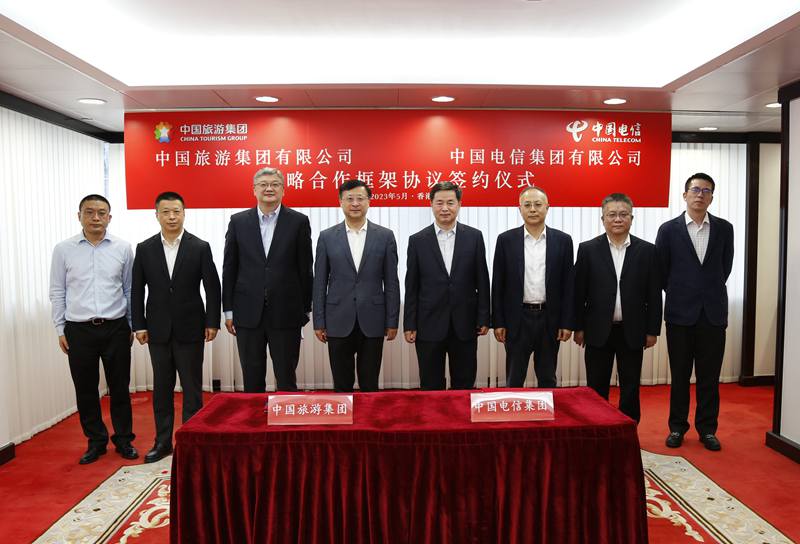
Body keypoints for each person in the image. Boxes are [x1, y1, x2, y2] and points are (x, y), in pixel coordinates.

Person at [131, 191, 221, 463]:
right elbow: (137, 290)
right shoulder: (145, 248)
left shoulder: (199, 246)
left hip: (191, 328)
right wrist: (139, 325)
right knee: (162, 388)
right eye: (166, 212)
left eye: (176, 211)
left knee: (192, 389)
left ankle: (191, 442)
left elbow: (212, 287)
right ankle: (162, 442)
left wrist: (212, 321)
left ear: (184, 213)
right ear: (156, 215)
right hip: (157, 329)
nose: (171, 217)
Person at [49, 194, 138, 464]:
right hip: (79, 330)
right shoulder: (63, 250)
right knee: (85, 389)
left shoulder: (123, 248)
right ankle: (96, 441)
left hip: (116, 327)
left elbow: (129, 289)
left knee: (120, 387)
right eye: (89, 212)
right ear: (79, 216)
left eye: (101, 213)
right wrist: (60, 328)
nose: (95, 218)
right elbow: (57, 291)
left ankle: (124, 439)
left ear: (109, 217)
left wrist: (131, 325)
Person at [656, 172, 733, 451]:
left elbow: (725, 267)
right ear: (685, 194)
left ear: (712, 197)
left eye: (706, 190)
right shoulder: (668, 230)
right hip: (680, 314)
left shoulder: (724, 228)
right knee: (679, 376)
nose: (700, 195)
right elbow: (662, 271)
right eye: (695, 189)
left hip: (713, 314)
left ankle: (707, 429)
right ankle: (677, 427)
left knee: (709, 377)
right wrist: (682, 292)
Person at [572, 193, 662, 422]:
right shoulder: (588, 249)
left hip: (632, 330)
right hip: (597, 330)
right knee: (596, 386)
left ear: (632, 218)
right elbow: (578, 293)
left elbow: (654, 294)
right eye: (612, 214)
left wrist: (653, 330)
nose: (618, 219)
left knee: (630, 386)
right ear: (603, 219)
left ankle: (628, 428)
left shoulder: (647, 251)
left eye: (623, 214)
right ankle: (598, 428)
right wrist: (578, 328)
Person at [222, 167, 313, 392]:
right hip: (247, 311)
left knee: (286, 375)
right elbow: (229, 268)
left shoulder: (298, 221)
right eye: (263, 184)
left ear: (283, 189)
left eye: (275, 184)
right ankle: (254, 414)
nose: (269, 188)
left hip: (286, 312)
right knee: (251, 376)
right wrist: (229, 310)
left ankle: (285, 415)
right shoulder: (238, 221)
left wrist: (305, 309)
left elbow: (305, 268)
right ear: (254, 190)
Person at [313, 179, 400, 392]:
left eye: (360, 198)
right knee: (341, 384)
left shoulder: (385, 236)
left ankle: (369, 414)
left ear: (369, 201)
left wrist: (392, 320)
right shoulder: (326, 237)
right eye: (349, 199)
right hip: (337, 318)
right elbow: (319, 282)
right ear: (340, 202)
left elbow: (391, 282)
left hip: (373, 318)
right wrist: (319, 321)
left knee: (370, 383)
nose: (355, 203)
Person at [403, 182, 490, 389]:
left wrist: (484, 317)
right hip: (428, 324)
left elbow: (482, 280)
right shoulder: (417, 240)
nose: (445, 208)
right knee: (431, 384)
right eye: (439, 202)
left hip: (465, 323)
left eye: (450, 202)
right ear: (431, 204)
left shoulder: (474, 237)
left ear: (459, 204)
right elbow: (412, 286)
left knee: (464, 383)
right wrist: (409, 324)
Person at [492, 186, 574, 388]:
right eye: (527, 205)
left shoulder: (563, 241)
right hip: (517, 319)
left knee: (547, 378)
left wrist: (566, 322)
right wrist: (498, 321)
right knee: (514, 378)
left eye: (538, 204)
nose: (533, 209)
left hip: (549, 318)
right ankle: (514, 409)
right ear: (519, 209)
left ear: (547, 207)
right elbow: (498, 284)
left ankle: (547, 410)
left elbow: (568, 285)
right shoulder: (505, 240)